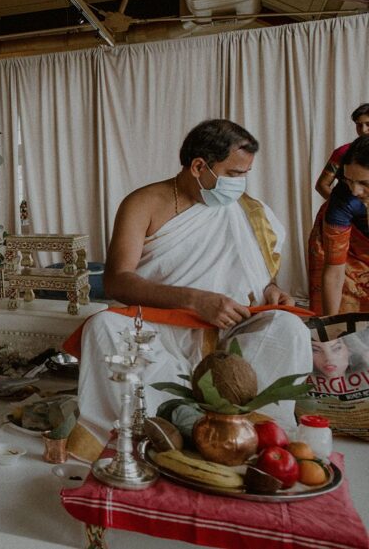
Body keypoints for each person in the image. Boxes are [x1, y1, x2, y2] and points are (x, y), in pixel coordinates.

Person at [72, 119, 311, 457]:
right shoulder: (143, 203)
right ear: (199, 166)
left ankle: (258, 432)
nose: (240, 184)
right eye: (233, 174)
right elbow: (117, 280)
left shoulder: (249, 211)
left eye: (244, 174)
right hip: (160, 329)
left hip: (232, 331)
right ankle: (169, 425)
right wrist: (194, 300)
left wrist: (271, 290)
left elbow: (257, 272)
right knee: (103, 326)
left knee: (289, 328)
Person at [307, 135, 369, 315]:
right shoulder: (343, 198)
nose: (355, 191)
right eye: (349, 180)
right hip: (352, 251)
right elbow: (334, 271)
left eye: (365, 183)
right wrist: (332, 329)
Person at [315, 103, 369, 200]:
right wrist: (342, 207)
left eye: (368, 124)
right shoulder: (343, 152)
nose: (363, 130)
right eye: (359, 125)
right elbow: (322, 185)